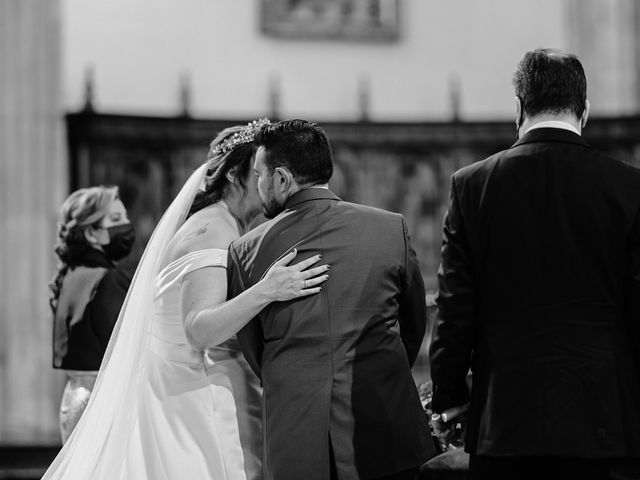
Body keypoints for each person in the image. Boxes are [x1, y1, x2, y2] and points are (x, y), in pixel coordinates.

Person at [43, 119, 329, 480]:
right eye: (258, 173)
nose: (265, 182)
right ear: (233, 176)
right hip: (189, 399)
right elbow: (199, 329)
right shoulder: (213, 229)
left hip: (181, 386)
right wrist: (268, 289)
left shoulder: (221, 223)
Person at [429, 48, 640, 480]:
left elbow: (455, 308)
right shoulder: (629, 187)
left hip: (505, 423)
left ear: (519, 108)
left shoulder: (472, 185)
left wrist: (451, 396)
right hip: (607, 422)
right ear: (584, 110)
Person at [227, 119, 433, 480]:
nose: (257, 186)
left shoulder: (246, 250)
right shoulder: (390, 228)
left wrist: (295, 374)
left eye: (259, 174)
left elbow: (254, 350)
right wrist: (383, 369)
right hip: (384, 422)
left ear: (281, 179)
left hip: (295, 435)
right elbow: (414, 324)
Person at [49, 186, 134, 443]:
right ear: (90, 232)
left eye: (126, 217)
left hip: (73, 396)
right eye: (116, 220)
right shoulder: (107, 278)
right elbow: (126, 350)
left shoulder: (69, 275)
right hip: (102, 400)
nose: (127, 226)